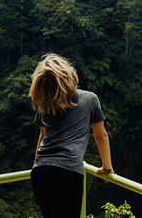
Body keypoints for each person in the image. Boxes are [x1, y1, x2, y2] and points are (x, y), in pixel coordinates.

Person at [29, 53, 114, 218]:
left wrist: (36, 164)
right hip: (66, 173)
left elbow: (42, 136)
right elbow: (101, 136)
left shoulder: (44, 103)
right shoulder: (90, 99)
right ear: (69, 76)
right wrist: (107, 167)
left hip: (40, 172)